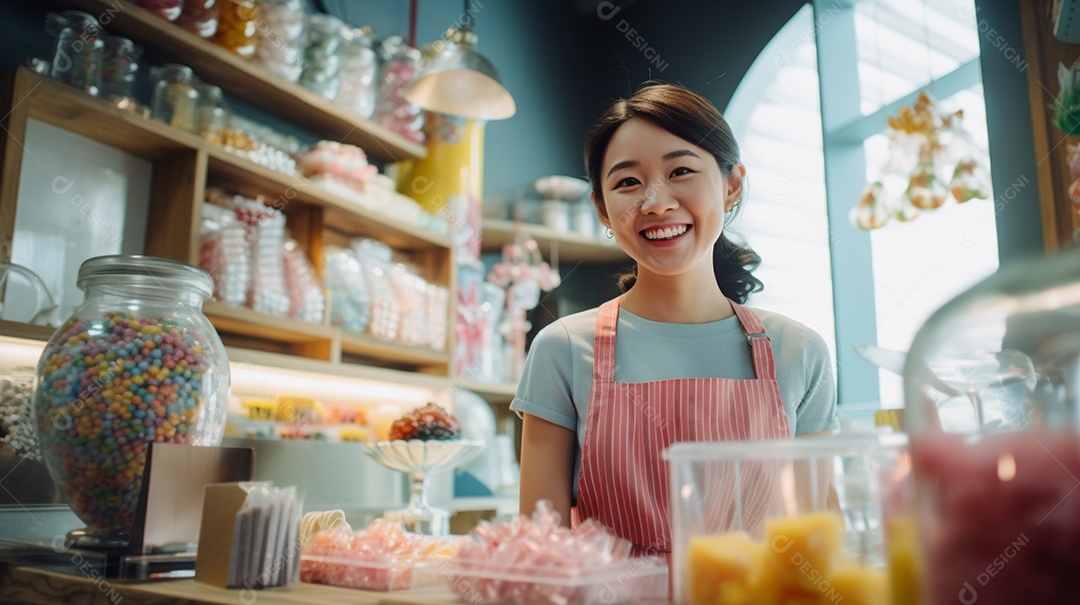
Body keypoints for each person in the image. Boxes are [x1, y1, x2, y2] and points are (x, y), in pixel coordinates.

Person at [512, 82, 838, 556]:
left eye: (681, 170)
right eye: (628, 182)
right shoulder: (561, 348)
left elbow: (819, 543)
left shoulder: (799, 351)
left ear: (731, 185)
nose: (656, 202)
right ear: (602, 208)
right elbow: (540, 554)